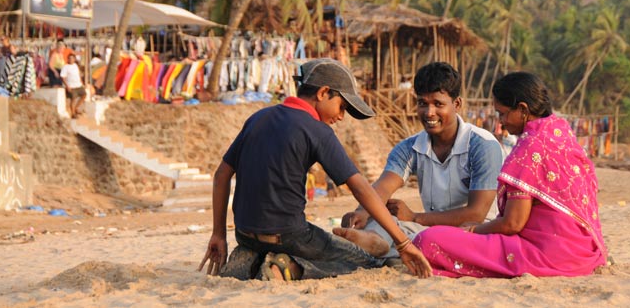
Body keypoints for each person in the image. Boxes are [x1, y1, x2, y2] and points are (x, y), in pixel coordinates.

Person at [198, 58, 431, 281]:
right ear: (322, 93)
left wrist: (218, 233)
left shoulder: (258, 118)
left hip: (244, 233)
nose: (341, 116)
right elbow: (360, 189)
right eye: (342, 106)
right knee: (367, 262)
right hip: (289, 236)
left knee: (286, 242)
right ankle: (288, 267)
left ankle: (251, 257)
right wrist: (402, 242)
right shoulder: (317, 130)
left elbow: (221, 176)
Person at [412, 71, 608, 277]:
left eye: (502, 113)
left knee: (427, 240)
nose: (501, 122)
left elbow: (512, 223)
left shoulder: (529, 148)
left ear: (523, 109)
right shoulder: (561, 133)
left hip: (547, 254)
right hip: (584, 251)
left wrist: (474, 230)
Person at [337, 62, 504, 260]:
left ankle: (379, 246)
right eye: (422, 103)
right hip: (431, 228)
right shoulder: (410, 147)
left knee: (420, 237)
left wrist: (415, 217)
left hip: (477, 232)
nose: (429, 112)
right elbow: (383, 187)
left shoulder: (482, 145)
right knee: (383, 217)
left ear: (457, 104)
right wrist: (362, 212)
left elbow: (476, 214)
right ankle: (373, 240)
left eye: (438, 104)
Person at [60, 53, 86, 119]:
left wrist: (82, 83)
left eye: (72, 58)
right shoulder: (65, 67)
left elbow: (78, 75)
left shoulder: (75, 65)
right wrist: (67, 86)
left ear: (74, 59)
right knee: (73, 99)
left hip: (78, 85)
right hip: (71, 86)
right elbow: (63, 77)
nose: (71, 60)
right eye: (69, 58)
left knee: (84, 95)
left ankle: (76, 107)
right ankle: (73, 113)